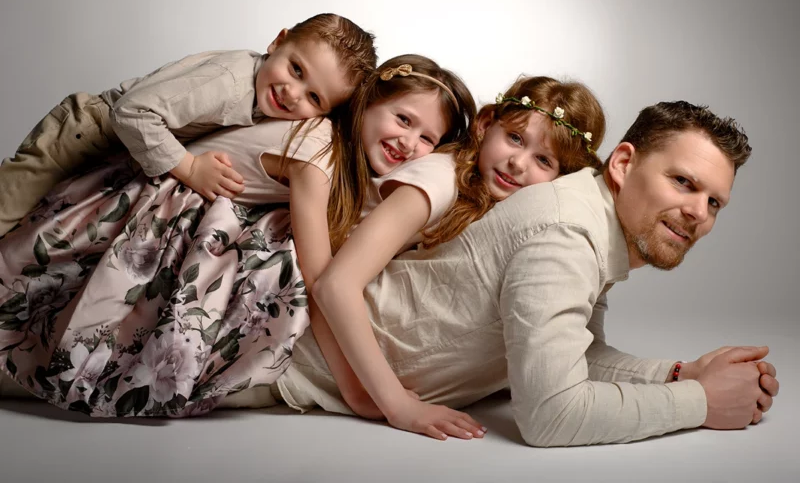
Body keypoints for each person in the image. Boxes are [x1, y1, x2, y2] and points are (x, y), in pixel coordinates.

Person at [228, 100, 778, 447]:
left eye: (714, 203)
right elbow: (552, 414)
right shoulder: (568, 233)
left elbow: (571, 354)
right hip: (269, 350)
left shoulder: (592, 218)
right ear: (624, 163)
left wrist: (682, 373)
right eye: (683, 182)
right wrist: (702, 404)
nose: (698, 213)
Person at [0, 53, 477, 420]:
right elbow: (321, 282)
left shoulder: (344, 161)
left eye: (427, 139)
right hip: (143, 204)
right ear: (367, 105)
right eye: (403, 119)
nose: (410, 143)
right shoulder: (319, 152)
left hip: (174, 205)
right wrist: (367, 394)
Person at [310, 75, 606, 440]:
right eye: (514, 138)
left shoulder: (482, 199)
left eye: (543, 160)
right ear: (484, 125)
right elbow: (335, 284)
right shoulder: (440, 179)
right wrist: (393, 404)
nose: (517, 163)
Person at [0, 12, 377, 238]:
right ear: (278, 41)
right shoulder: (228, 82)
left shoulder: (270, 102)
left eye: (314, 99)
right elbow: (131, 112)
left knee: (29, 228)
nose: (293, 94)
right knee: (7, 209)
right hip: (84, 131)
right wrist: (190, 167)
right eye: (296, 69)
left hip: (112, 148)